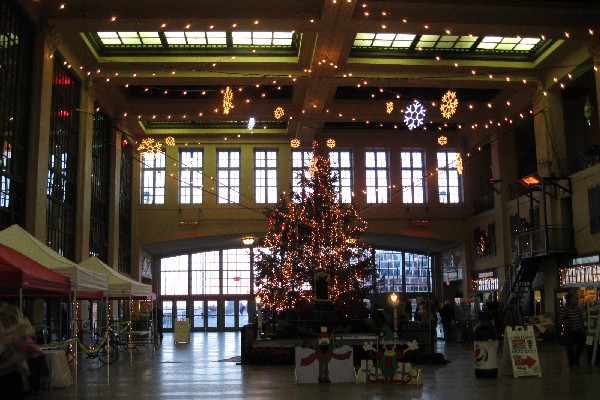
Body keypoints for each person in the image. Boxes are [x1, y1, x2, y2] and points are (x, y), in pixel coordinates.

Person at [0, 305, 41, 399]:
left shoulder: (20, 336)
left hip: (12, 377)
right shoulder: (5, 335)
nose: (4, 323)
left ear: (14, 320)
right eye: (3, 320)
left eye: (6, 319)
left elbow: (18, 358)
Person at [560, 293, 585, 368]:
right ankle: (571, 362)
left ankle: (576, 359)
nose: (576, 300)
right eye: (574, 299)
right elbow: (562, 319)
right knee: (569, 347)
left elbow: (581, 317)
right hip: (569, 330)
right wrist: (567, 324)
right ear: (569, 300)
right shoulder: (565, 309)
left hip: (578, 329)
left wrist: (581, 323)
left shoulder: (578, 308)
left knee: (581, 345)